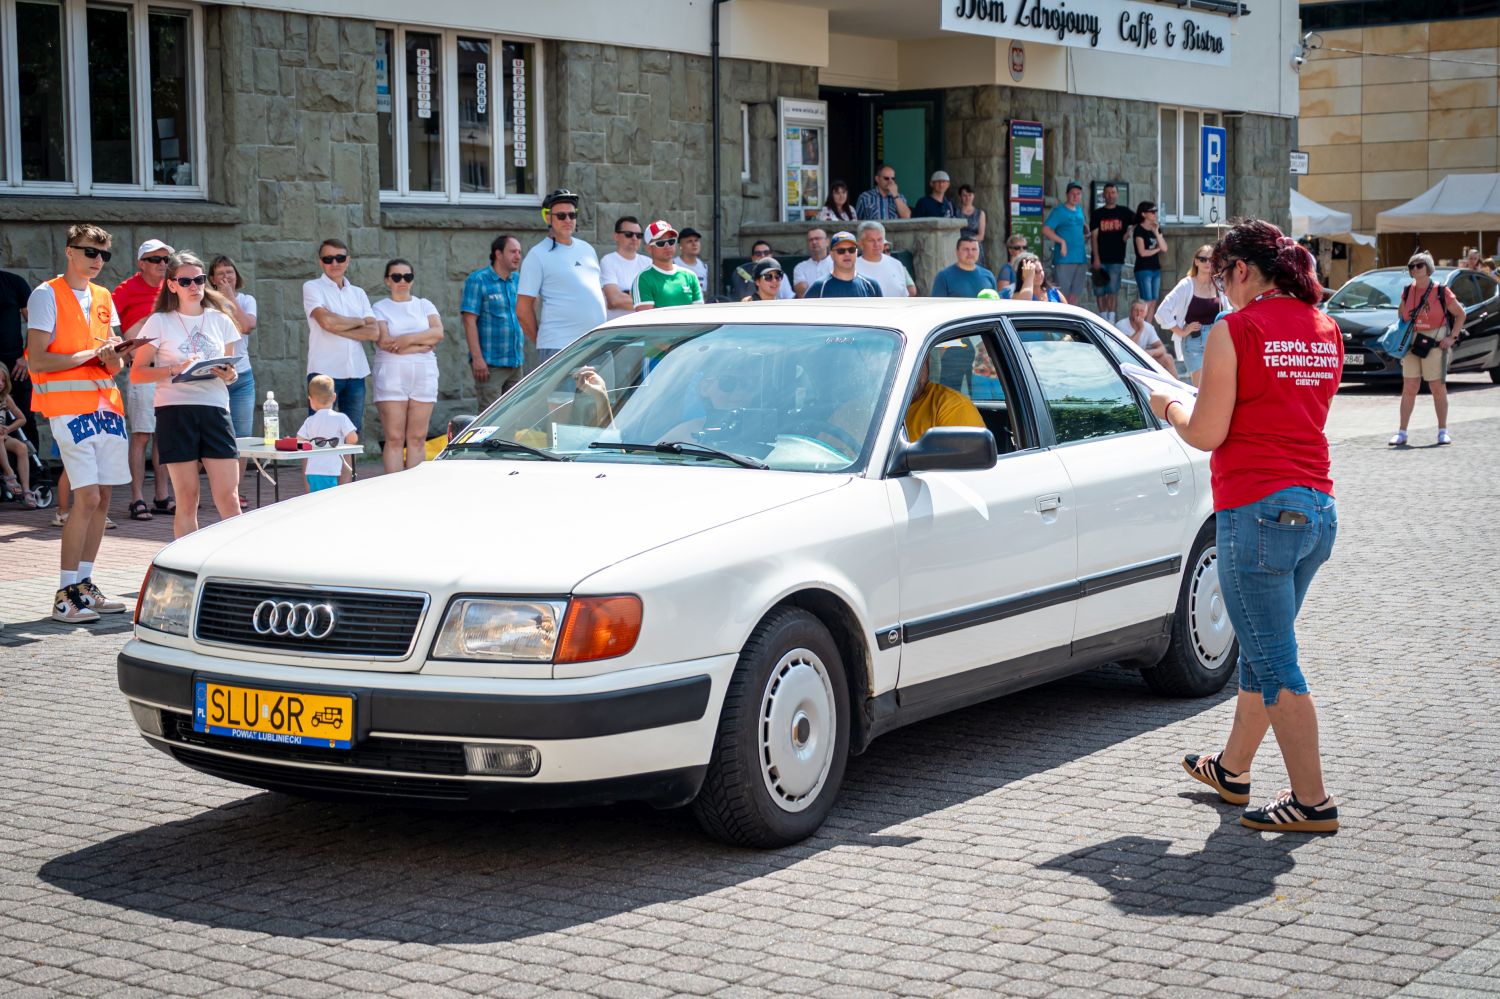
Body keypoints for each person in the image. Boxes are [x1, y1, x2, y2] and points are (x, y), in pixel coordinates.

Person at [1149, 219, 1343, 834]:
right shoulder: (1325, 327)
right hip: (1315, 508)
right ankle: (1232, 769)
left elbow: (1208, 432)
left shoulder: (1237, 329)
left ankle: (1312, 801)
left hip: (1258, 508)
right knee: (1261, 651)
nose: (1218, 291)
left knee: (1276, 661)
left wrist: (1168, 404)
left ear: (1239, 271)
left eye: (1219, 278)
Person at [27, 223, 130, 623]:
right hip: (68, 408)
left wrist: (113, 357)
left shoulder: (104, 296)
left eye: (103, 254)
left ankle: (84, 586)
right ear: (69, 251)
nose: (97, 260)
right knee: (86, 497)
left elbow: (114, 366)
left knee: (102, 498)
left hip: (106, 406)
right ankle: (65, 593)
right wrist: (90, 355)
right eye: (90, 252)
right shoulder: (46, 294)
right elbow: (38, 359)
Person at [131, 251, 242, 539]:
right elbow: (137, 373)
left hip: (215, 409)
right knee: (187, 499)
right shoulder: (159, 321)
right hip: (175, 410)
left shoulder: (221, 319)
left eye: (199, 280)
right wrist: (174, 369)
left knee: (229, 498)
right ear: (171, 285)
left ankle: (237, 561)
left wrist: (229, 375)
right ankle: (187, 562)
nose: (194, 286)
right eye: (185, 281)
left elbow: (231, 371)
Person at [113, 238, 176, 522]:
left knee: (164, 435)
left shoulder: (173, 286)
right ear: (142, 263)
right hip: (143, 369)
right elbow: (105, 321)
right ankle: (136, 498)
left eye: (166, 259)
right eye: (155, 259)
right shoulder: (126, 289)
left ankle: (162, 496)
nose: (162, 264)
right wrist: (122, 348)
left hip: (170, 369)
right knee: (141, 435)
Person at [516, 189, 607, 364]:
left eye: (572, 215)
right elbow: (522, 309)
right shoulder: (537, 255)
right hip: (559, 347)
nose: (567, 220)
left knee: (603, 385)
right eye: (561, 216)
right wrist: (543, 341)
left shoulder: (587, 249)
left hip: (596, 344)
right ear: (548, 217)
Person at [303, 237, 377, 441]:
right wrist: (360, 322)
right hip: (324, 372)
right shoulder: (313, 287)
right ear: (321, 262)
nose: (334, 263)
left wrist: (337, 325)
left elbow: (373, 332)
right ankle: (320, 466)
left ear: (348, 260)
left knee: (352, 437)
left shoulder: (358, 293)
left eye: (340, 258)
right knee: (317, 434)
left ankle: (348, 466)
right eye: (328, 259)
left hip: (356, 373)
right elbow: (325, 321)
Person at [372, 258, 442, 474]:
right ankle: (394, 486)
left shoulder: (424, 304)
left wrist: (405, 341)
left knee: (418, 437)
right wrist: (421, 344)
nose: (402, 281)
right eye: (396, 277)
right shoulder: (379, 307)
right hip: (391, 374)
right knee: (394, 438)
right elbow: (385, 341)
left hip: (424, 374)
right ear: (387, 280)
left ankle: (414, 487)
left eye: (407, 276)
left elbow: (438, 332)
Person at [1390, 251, 1465, 447]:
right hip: (1412, 343)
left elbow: (1461, 314)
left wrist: (1452, 337)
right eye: (1411, 266)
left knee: (1437, 387)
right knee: (1409, 386)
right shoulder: (1408, 290)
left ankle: (1442, 431)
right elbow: (1401, 315)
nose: (1414, 269)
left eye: (1419, 265)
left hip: (1435, 343)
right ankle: (1402, 432)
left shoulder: (1441, 291)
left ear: (1428, 268)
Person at [209, 255, 257, 504]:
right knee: (213, 434)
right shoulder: (206, 302)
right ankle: (215, 490)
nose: (226, 277)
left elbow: (246, 326)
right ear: (211, 278)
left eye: (230, 272)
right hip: (215, 376)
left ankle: (235, 492)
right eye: (220, 273)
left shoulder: (247, 300)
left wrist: (230, 298)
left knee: (242, 436)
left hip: (243, 377)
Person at [461, 235, 525, 411]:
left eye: (519, 252)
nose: (518, 256)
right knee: (491, 416)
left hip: (515, 363)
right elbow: (469, 320)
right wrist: (477, 358)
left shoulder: (517, 280)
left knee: (513, 416)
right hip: (490, 365)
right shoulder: (478, 280)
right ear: (498, 254)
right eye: (513, 252)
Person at [1157, 245, 1231, 387]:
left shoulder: (1219, 284)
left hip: (1216, 339)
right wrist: (1181, 331)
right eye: (1203, 259)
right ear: (1196, 261)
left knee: (1217, 386)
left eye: (1211, 259)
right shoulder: (1186, 284)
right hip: (1194, 341)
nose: (1207, 263)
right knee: (1200, 388)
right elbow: (1162, 311)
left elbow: (1230, 310)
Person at [0, 259, 38, 460]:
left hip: (16, 366)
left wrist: (26, 357)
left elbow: (36, 324)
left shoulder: (14, 283)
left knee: (25, 416)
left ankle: (32, 470)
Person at [298, 375, 358, 493]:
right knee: (328, 499)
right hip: (329, 470)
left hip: (311, 470)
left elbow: (299, 441)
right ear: (334, 397)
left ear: (310, 400)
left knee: (316, 498)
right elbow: (353, 439)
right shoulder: (341, 418)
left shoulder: (309, 420)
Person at [905, 353, 985, 441]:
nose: (907, 373)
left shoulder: (955, 407)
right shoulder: (892, 405)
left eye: (913, 362)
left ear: (927, 362)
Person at [633, 220, 705, 310]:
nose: (667, 246)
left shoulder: (690, 276)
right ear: (649, 248)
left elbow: (698, 313)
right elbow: (646, 317)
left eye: (671, 241)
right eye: (660, 243)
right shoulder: (643, 279)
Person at [1090, 182, 1135, 323]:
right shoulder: (1097, 214)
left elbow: (1139, 219)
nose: (1110, 195)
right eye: (1107, 193)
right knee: (1099, 291)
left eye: (1113, 192)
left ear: (1117, 194)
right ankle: (1103, 320)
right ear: (1103, 195)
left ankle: (1111, 321)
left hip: (1116, 259)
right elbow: (1094, 237)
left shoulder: (1124, 212)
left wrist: (1129, 231)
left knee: (1112, 291)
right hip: (1099, 259)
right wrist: (1096, 258)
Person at [1042, 182, 1090, 305]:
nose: (1075, 196)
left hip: (1080, 258)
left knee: (1075, 295)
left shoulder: (1079, 210)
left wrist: (1086, 232)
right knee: (1062, 295)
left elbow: (1080, 226)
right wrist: (1061, 241)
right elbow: (1045, 229)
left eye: (1078, 194)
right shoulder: (1059, 211)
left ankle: (1071, 316)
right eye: (1073, 194)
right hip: (1064, 259)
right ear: (1067, 194)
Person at [599, 216, 651, 322]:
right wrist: (647, 300)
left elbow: (658, 297)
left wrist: (626, 295)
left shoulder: (648, 262)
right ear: (616, 236)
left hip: (644, 327)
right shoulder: (608, 261)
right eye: (629, 234)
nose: (634, 238)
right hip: (618, 328)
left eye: (639, 235)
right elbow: (614, 300)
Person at [804, 232, 883, 298]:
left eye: (851, 250)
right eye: (841, 251)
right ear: (831, 255)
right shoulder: (819, 287)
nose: (847, 254)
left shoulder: (872, 286)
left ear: (856, 253)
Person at [0, 365, 37, 507]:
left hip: (3, 436)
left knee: (22, 447)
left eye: (3, 380)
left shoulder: (5, 398)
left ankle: (26, 490)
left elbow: (22, 419)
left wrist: (8, 429)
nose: (1, 383)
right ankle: (9, 475)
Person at [855, 222, 915, 297]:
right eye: (871, 240)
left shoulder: (896, 264)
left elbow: (906, 295)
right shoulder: (853, 268)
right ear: (860, 244)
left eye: (879, 240)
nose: (876, 244)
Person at [1132, 201, 1167, 323]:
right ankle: (1140, 327)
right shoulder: (1139, 230)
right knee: (1146, 301)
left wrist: (1157, 233)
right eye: (1152, 212)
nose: (1155, 214)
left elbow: (1165, 248)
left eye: (1155, 211)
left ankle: (1148, 327)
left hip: (1155, 268)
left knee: (1153, 301)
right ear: (1143, 214)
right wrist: (1157, 249)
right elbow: (1142, 252)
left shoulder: (1155, 228)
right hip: (1143, 269)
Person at [931, 237, 997, 298]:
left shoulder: (988, 275)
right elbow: (937, 304)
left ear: (979, 251)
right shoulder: (944, 277)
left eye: (974, 249)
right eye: (966, 249)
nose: (970, 253)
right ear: (957, 252)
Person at [1115, 299, 1174, 368]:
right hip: (1125, 359)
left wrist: (1152, 352)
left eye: (1141, 311)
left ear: (1146, 313)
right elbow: (1128, 348)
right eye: (1136, 310)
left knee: (1168, 358)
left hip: (1142, 359)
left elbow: (1162, 348)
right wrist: (1140, 330)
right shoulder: (1121, 325)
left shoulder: (1149, 327)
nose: (1138, 314)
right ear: (1131, 312)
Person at [1000, 252, 1064, 302]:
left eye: (1040, 271)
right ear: (1022, 276)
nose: (1038, 275)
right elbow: (1024, 305)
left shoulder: (1055, 293)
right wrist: (1028, 278)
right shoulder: (1016, 296)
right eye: (1034, 272)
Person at [793, 229, 832, 297]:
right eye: (810, 240)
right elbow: (802, 293)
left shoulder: (837, 264)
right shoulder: (800, 267)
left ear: (827, 242)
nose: (814, 242)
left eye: (817, 238)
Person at [956, 186, 987, 260]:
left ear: (973, 196)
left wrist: (967, 240)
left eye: (970, 195)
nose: (967, 198)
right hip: (959, 247)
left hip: (974, 246)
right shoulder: (955, 212)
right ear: (960, 196)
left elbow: (981, 236)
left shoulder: (980, 213)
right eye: (964, 195)